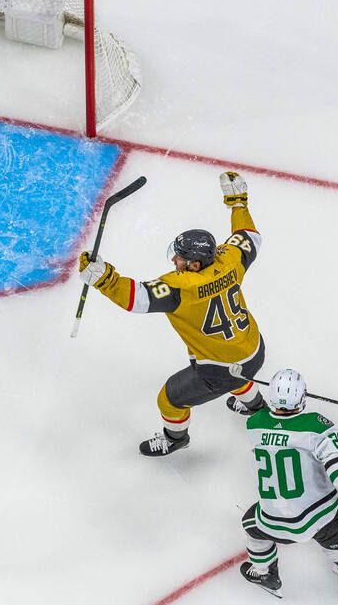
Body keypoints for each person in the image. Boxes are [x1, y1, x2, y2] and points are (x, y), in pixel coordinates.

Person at [77, 172, 267, 456]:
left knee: (170, 399)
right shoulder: (230, 259)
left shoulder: (180, 286)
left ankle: (175, 439)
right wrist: (238, 203)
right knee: (237, 371)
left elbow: (135, 299)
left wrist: (104, 278)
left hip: (220, 368)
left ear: (193, 265)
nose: (174, 260)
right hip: (254, 348)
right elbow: (248, 236)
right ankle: (256, 406)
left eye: (180, 257)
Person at [239, 369, 338, 605]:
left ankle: (265, 573)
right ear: (302, 397)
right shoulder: (316, 426)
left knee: (251, 526)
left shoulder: (254, 425)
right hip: (319, 517)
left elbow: (273, 424)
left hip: (272, 519)